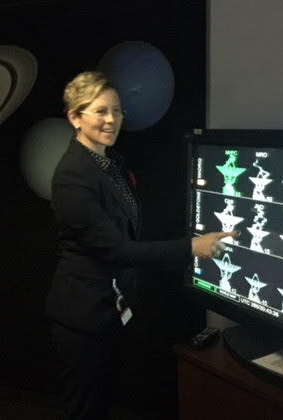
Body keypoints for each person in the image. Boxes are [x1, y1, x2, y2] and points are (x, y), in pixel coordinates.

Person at [45, 70, 238, 419]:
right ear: (75, 117)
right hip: (84, 317)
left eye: (117, 111)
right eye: (100, 111)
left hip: (113, 306)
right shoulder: (72, 177)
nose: (111, 120)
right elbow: (116, 249)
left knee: (103, 399)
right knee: (85, 408)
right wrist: (190, 248)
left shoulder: (110, 162)